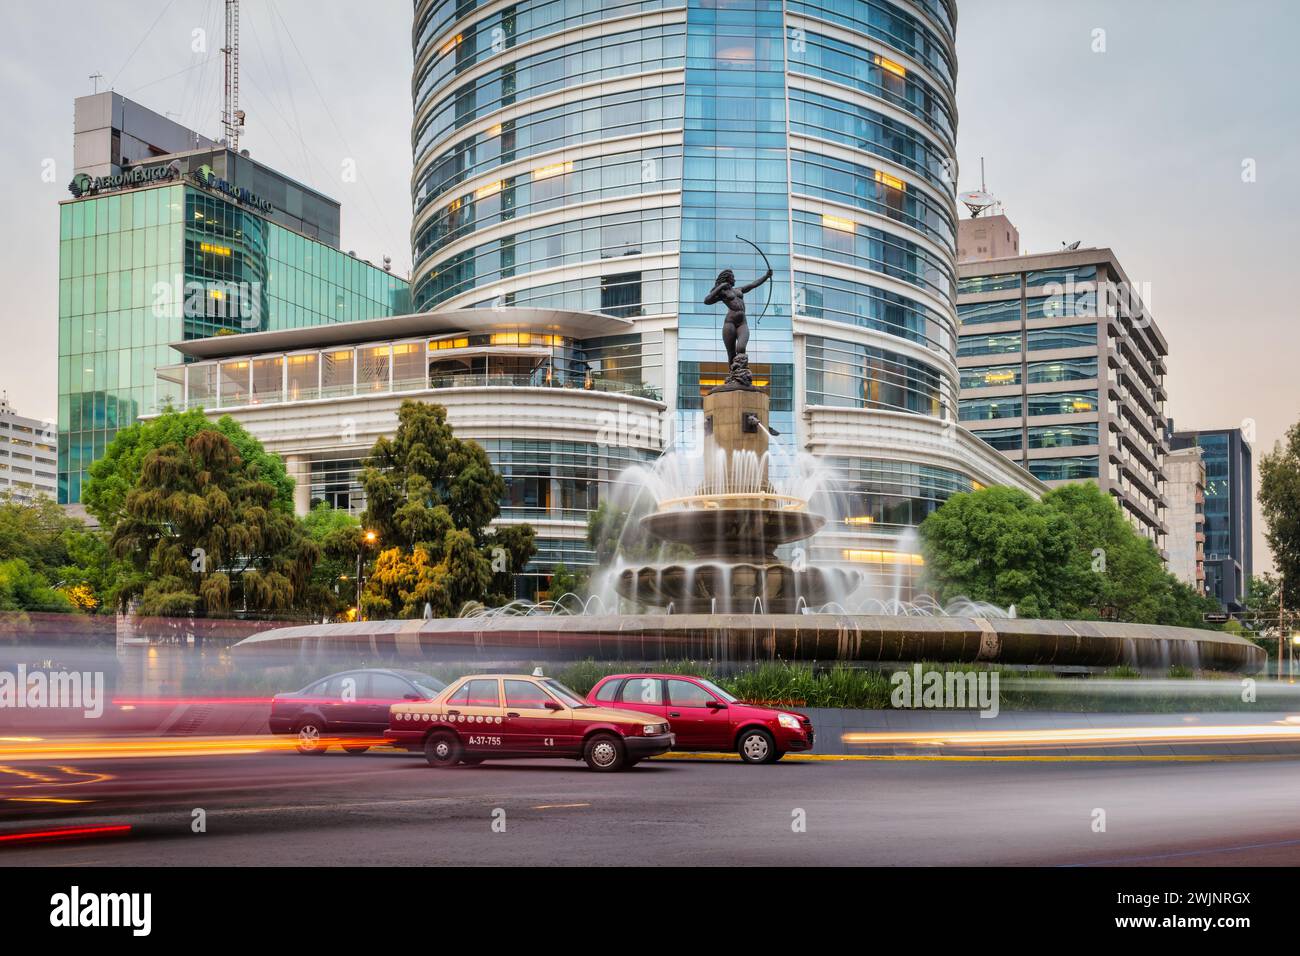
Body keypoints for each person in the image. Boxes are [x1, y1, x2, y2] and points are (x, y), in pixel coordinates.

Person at [704, 265, 771, 367]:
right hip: (730, 323)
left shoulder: (739, 289)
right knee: (731, 354)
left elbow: (753, 285)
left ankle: (741, 371)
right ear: (728, 278)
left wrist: (766, 276)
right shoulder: (722, 293)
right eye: (732, 277)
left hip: (742, 323)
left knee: (741, 348)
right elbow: (707, 301)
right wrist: (721, 286)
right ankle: (733, 376)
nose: (734, 279)